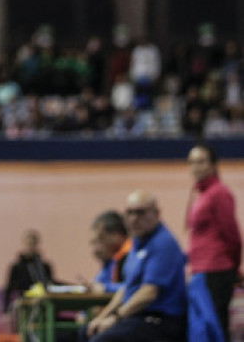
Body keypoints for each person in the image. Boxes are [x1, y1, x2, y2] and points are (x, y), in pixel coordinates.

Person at [81, 190, 186, 342]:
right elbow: (126, 288)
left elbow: (149, 292)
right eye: (129, 213)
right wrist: (103, 317)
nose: (134, 219)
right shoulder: (136, 243)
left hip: (160, 322)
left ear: (156, 213)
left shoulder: (163, 243)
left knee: (103, 340)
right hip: (137, 318)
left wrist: (116, 318)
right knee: (87, 332)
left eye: (140, 213)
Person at [186, 143, 242, 341]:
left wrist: (233, 266)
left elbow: (233, 235)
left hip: (216, 270)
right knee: (206, 326)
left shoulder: (219, 193)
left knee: (215, 326)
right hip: (202, 270)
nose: (195, 167)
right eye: (192, 162)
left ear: (213, 164)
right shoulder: (202, 194)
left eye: (201, 161)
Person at [3, 229, 54, 312]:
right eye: (29, 244)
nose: (31, 246)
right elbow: (9, 289)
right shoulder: (17, 267)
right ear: (24, 244)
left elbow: (50, 284)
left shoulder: (44, 267)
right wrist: (5, 309)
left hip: (42, 304)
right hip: (25, 304)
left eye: (33, 243)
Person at [88, 210, 131, 294]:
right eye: (93, 242)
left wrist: (105, 288)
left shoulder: (132, 254)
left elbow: (135, 287)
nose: (96, 249)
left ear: (116, 235)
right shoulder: (111, 261)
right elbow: (99, 282)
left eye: (100, 239)